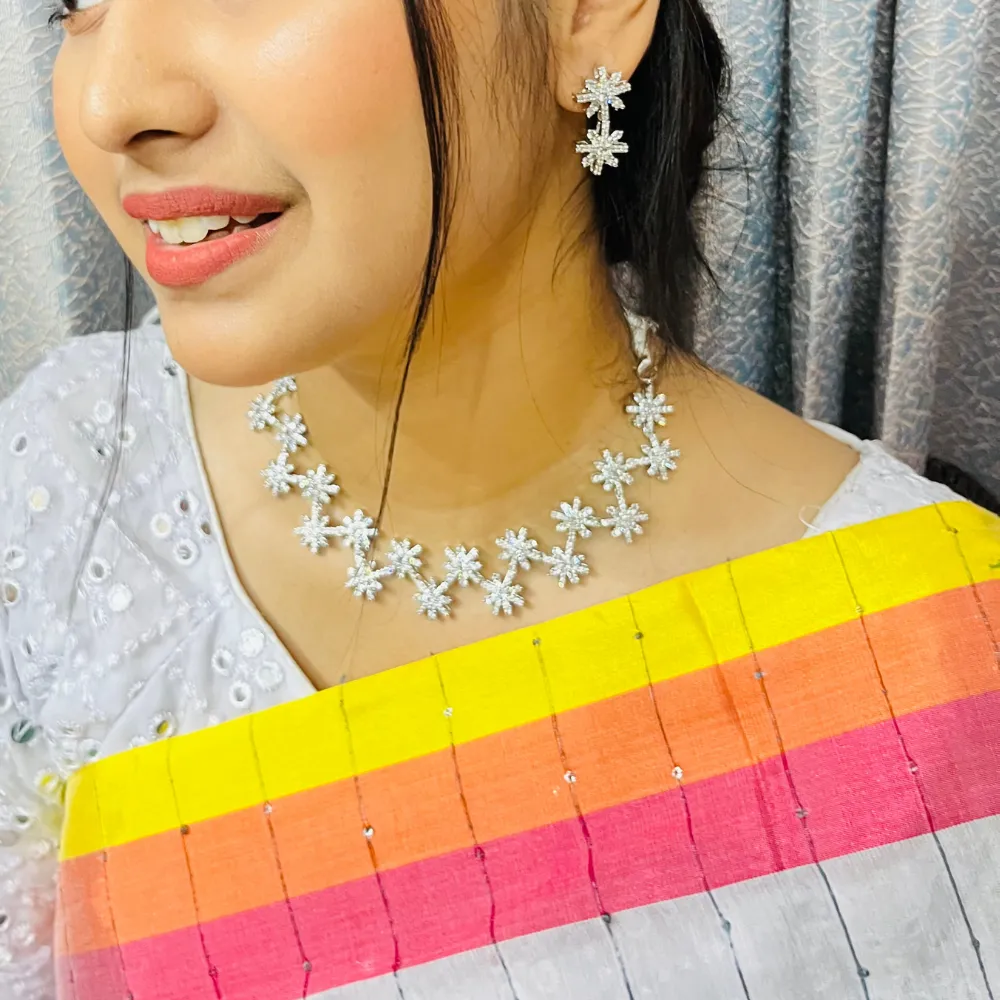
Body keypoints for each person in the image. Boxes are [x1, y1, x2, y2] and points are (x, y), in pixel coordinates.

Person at [1, 0, 997, 997]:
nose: (110, 104)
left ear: (590, 15)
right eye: (75, 3)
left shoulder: (939, 655)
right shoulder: (68, 473)